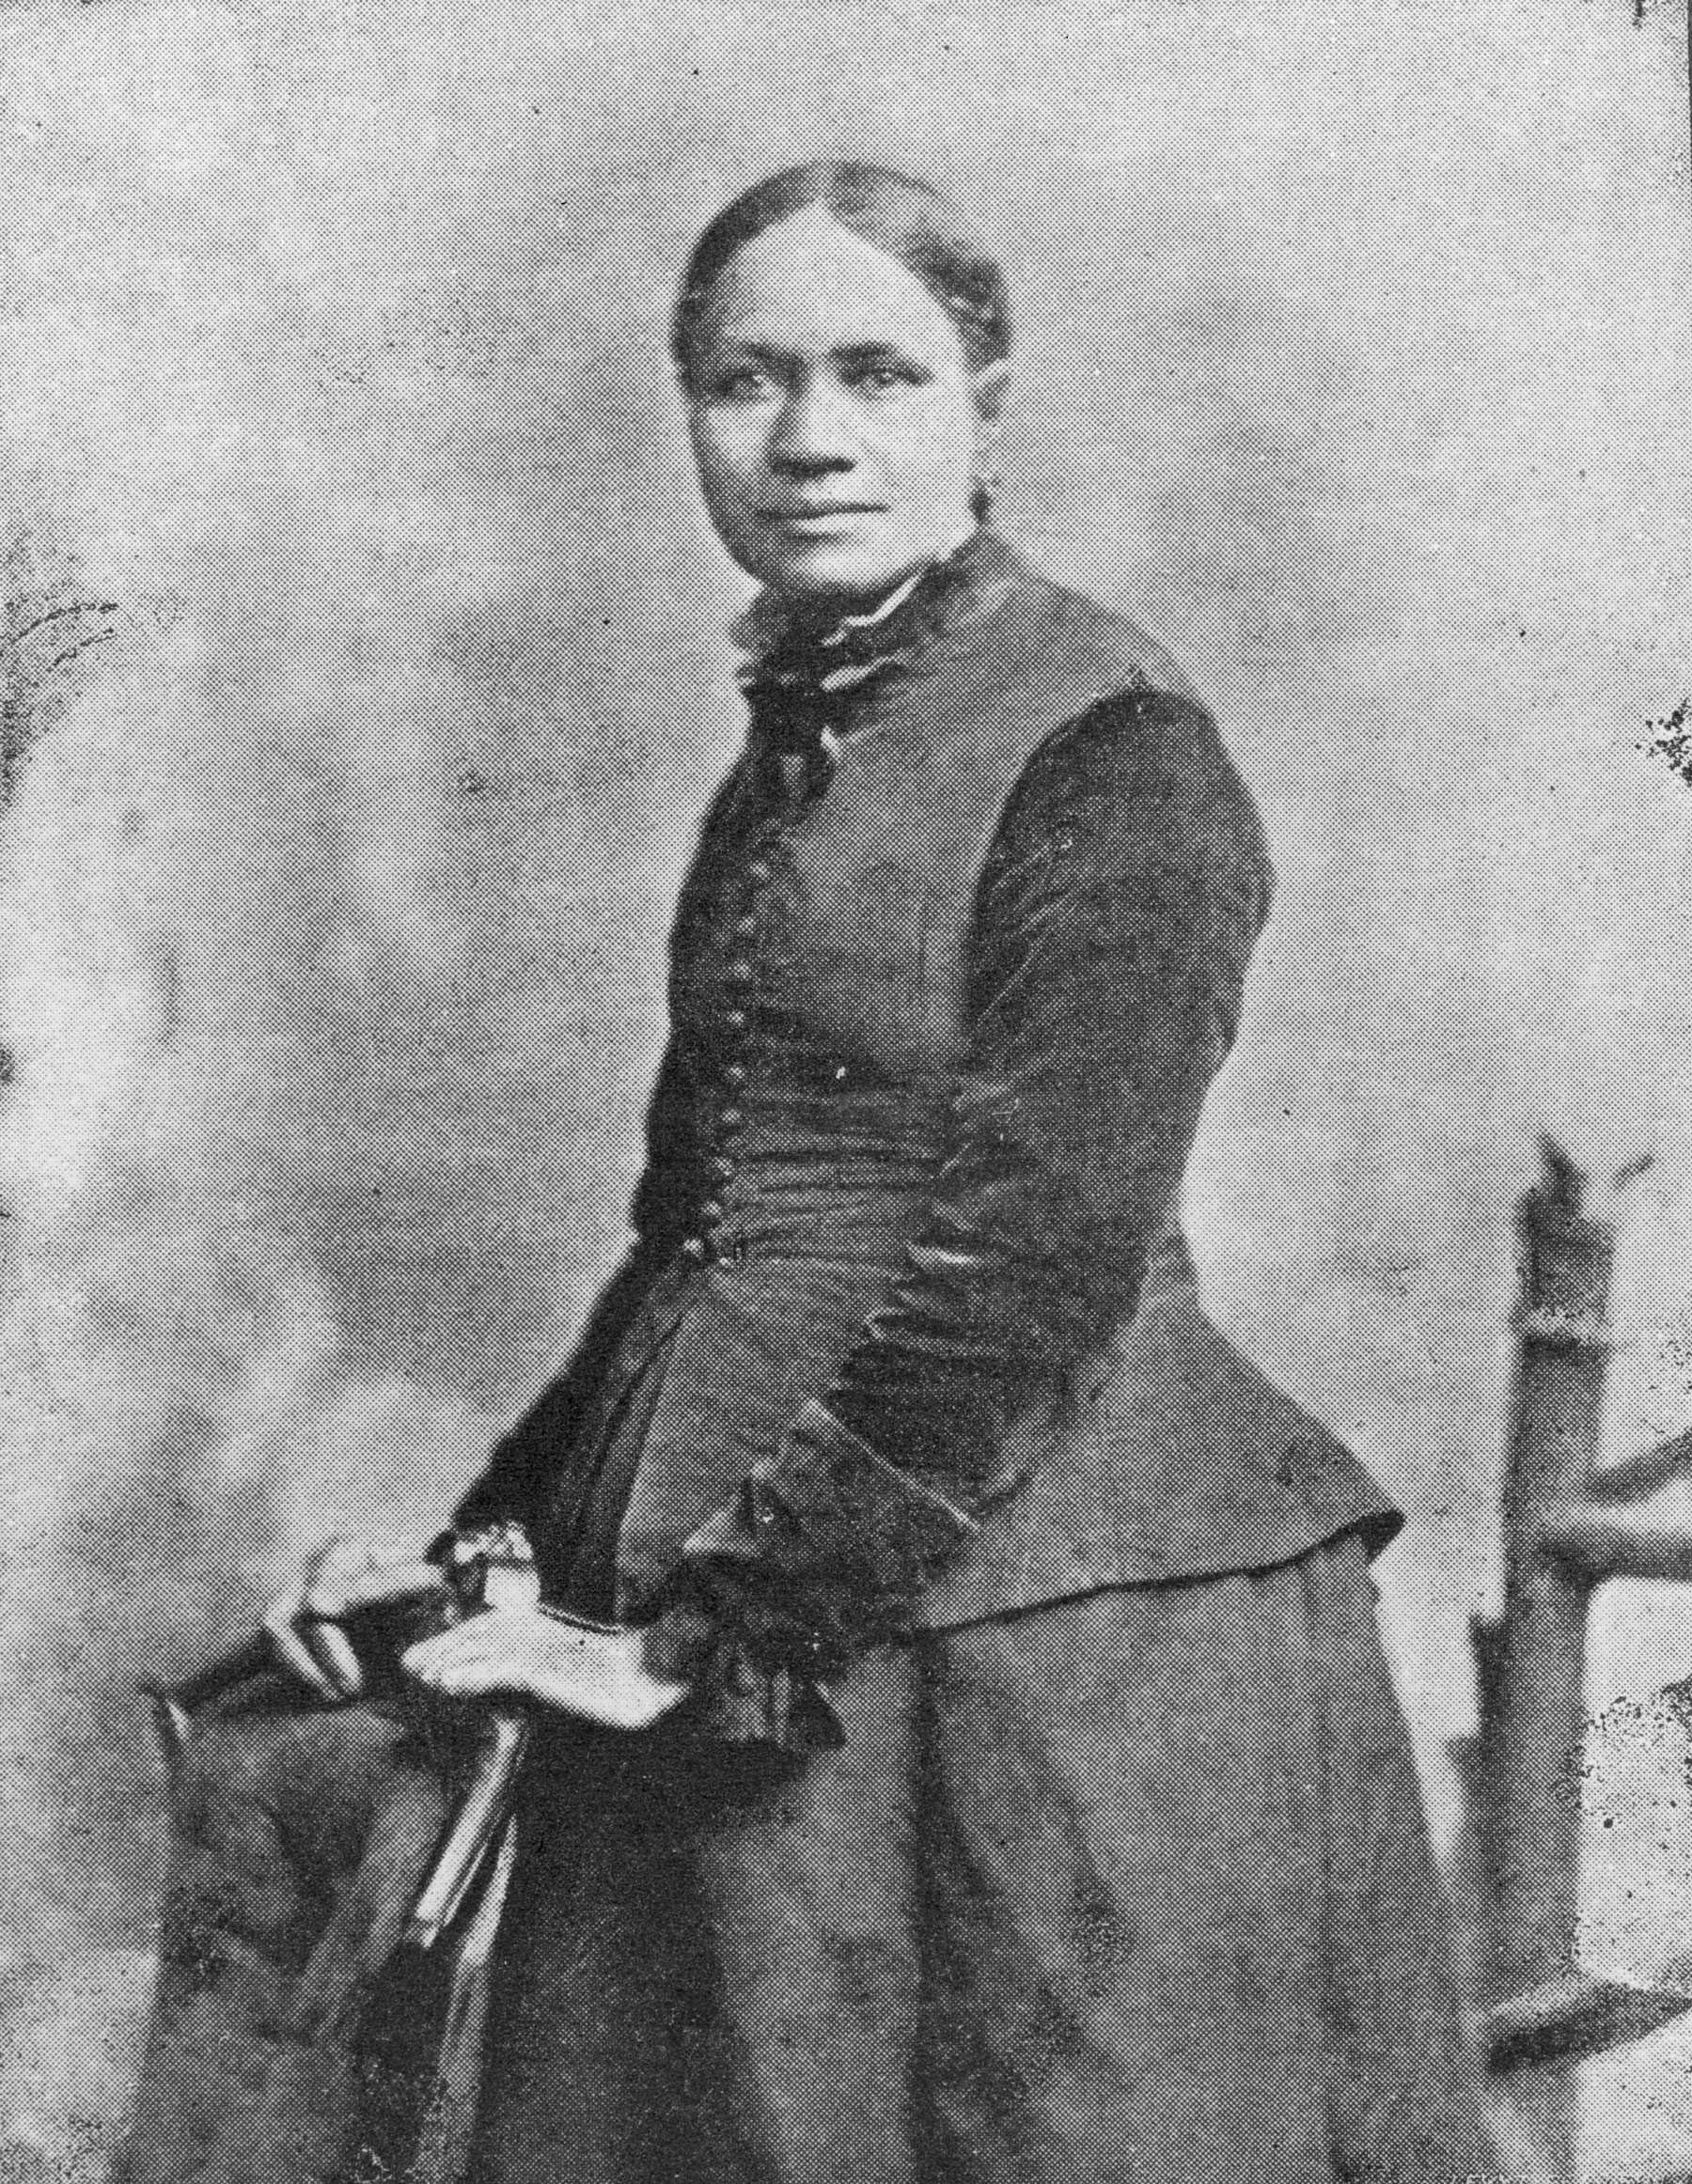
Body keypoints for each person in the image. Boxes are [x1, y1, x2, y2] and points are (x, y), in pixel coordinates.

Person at [125, 163, 1495, 2184]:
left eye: (878, 370)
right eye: (746, 381)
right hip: (737, 1602)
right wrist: (491, 1554)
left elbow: (1032, 1267)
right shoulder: (805, 742)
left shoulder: (1115, 751)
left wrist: (695, 1641)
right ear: (687, 411)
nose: (813, 436)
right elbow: (695, 1240)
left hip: (1046, 1625)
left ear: (985, 397)